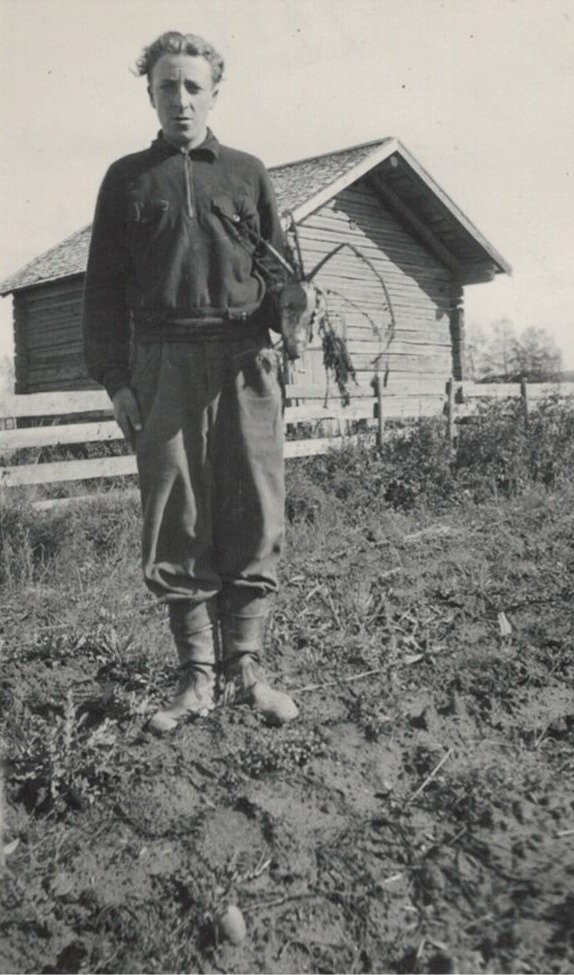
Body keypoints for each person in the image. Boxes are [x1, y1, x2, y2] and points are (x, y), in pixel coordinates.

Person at [82, 30, 299, 733]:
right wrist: (118, 379)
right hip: (164, 361)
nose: (181, 99)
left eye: (193, 86)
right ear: (150, 92)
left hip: (243, 359)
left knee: (255, 506)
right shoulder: (126, 181)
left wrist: (293, 314)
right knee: (175, 515)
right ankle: (195, 679)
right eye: (168, 86)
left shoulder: (247, 173)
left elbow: (281, 276)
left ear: (214, 93)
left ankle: (247, 670)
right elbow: (101, 295)